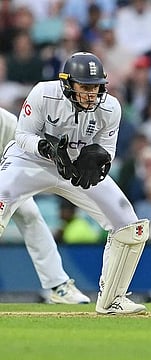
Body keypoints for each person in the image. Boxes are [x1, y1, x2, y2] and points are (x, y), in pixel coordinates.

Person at [0, 52, 149, 315]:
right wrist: (45, 149)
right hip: (30, 161)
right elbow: (22, 135)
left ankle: (113, 299)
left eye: (96, 87)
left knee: (130, 225)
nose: (91, 93)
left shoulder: (111, 107)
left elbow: (107, 150)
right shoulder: (43, 93)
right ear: (68, 84)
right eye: (85, 86)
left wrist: (99, 161)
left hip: (75, 168)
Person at [0, 107, 90, 304]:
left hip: (5, 178)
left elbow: (20, 159)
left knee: (30, 214)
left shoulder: (6, 121)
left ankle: (59, 286)